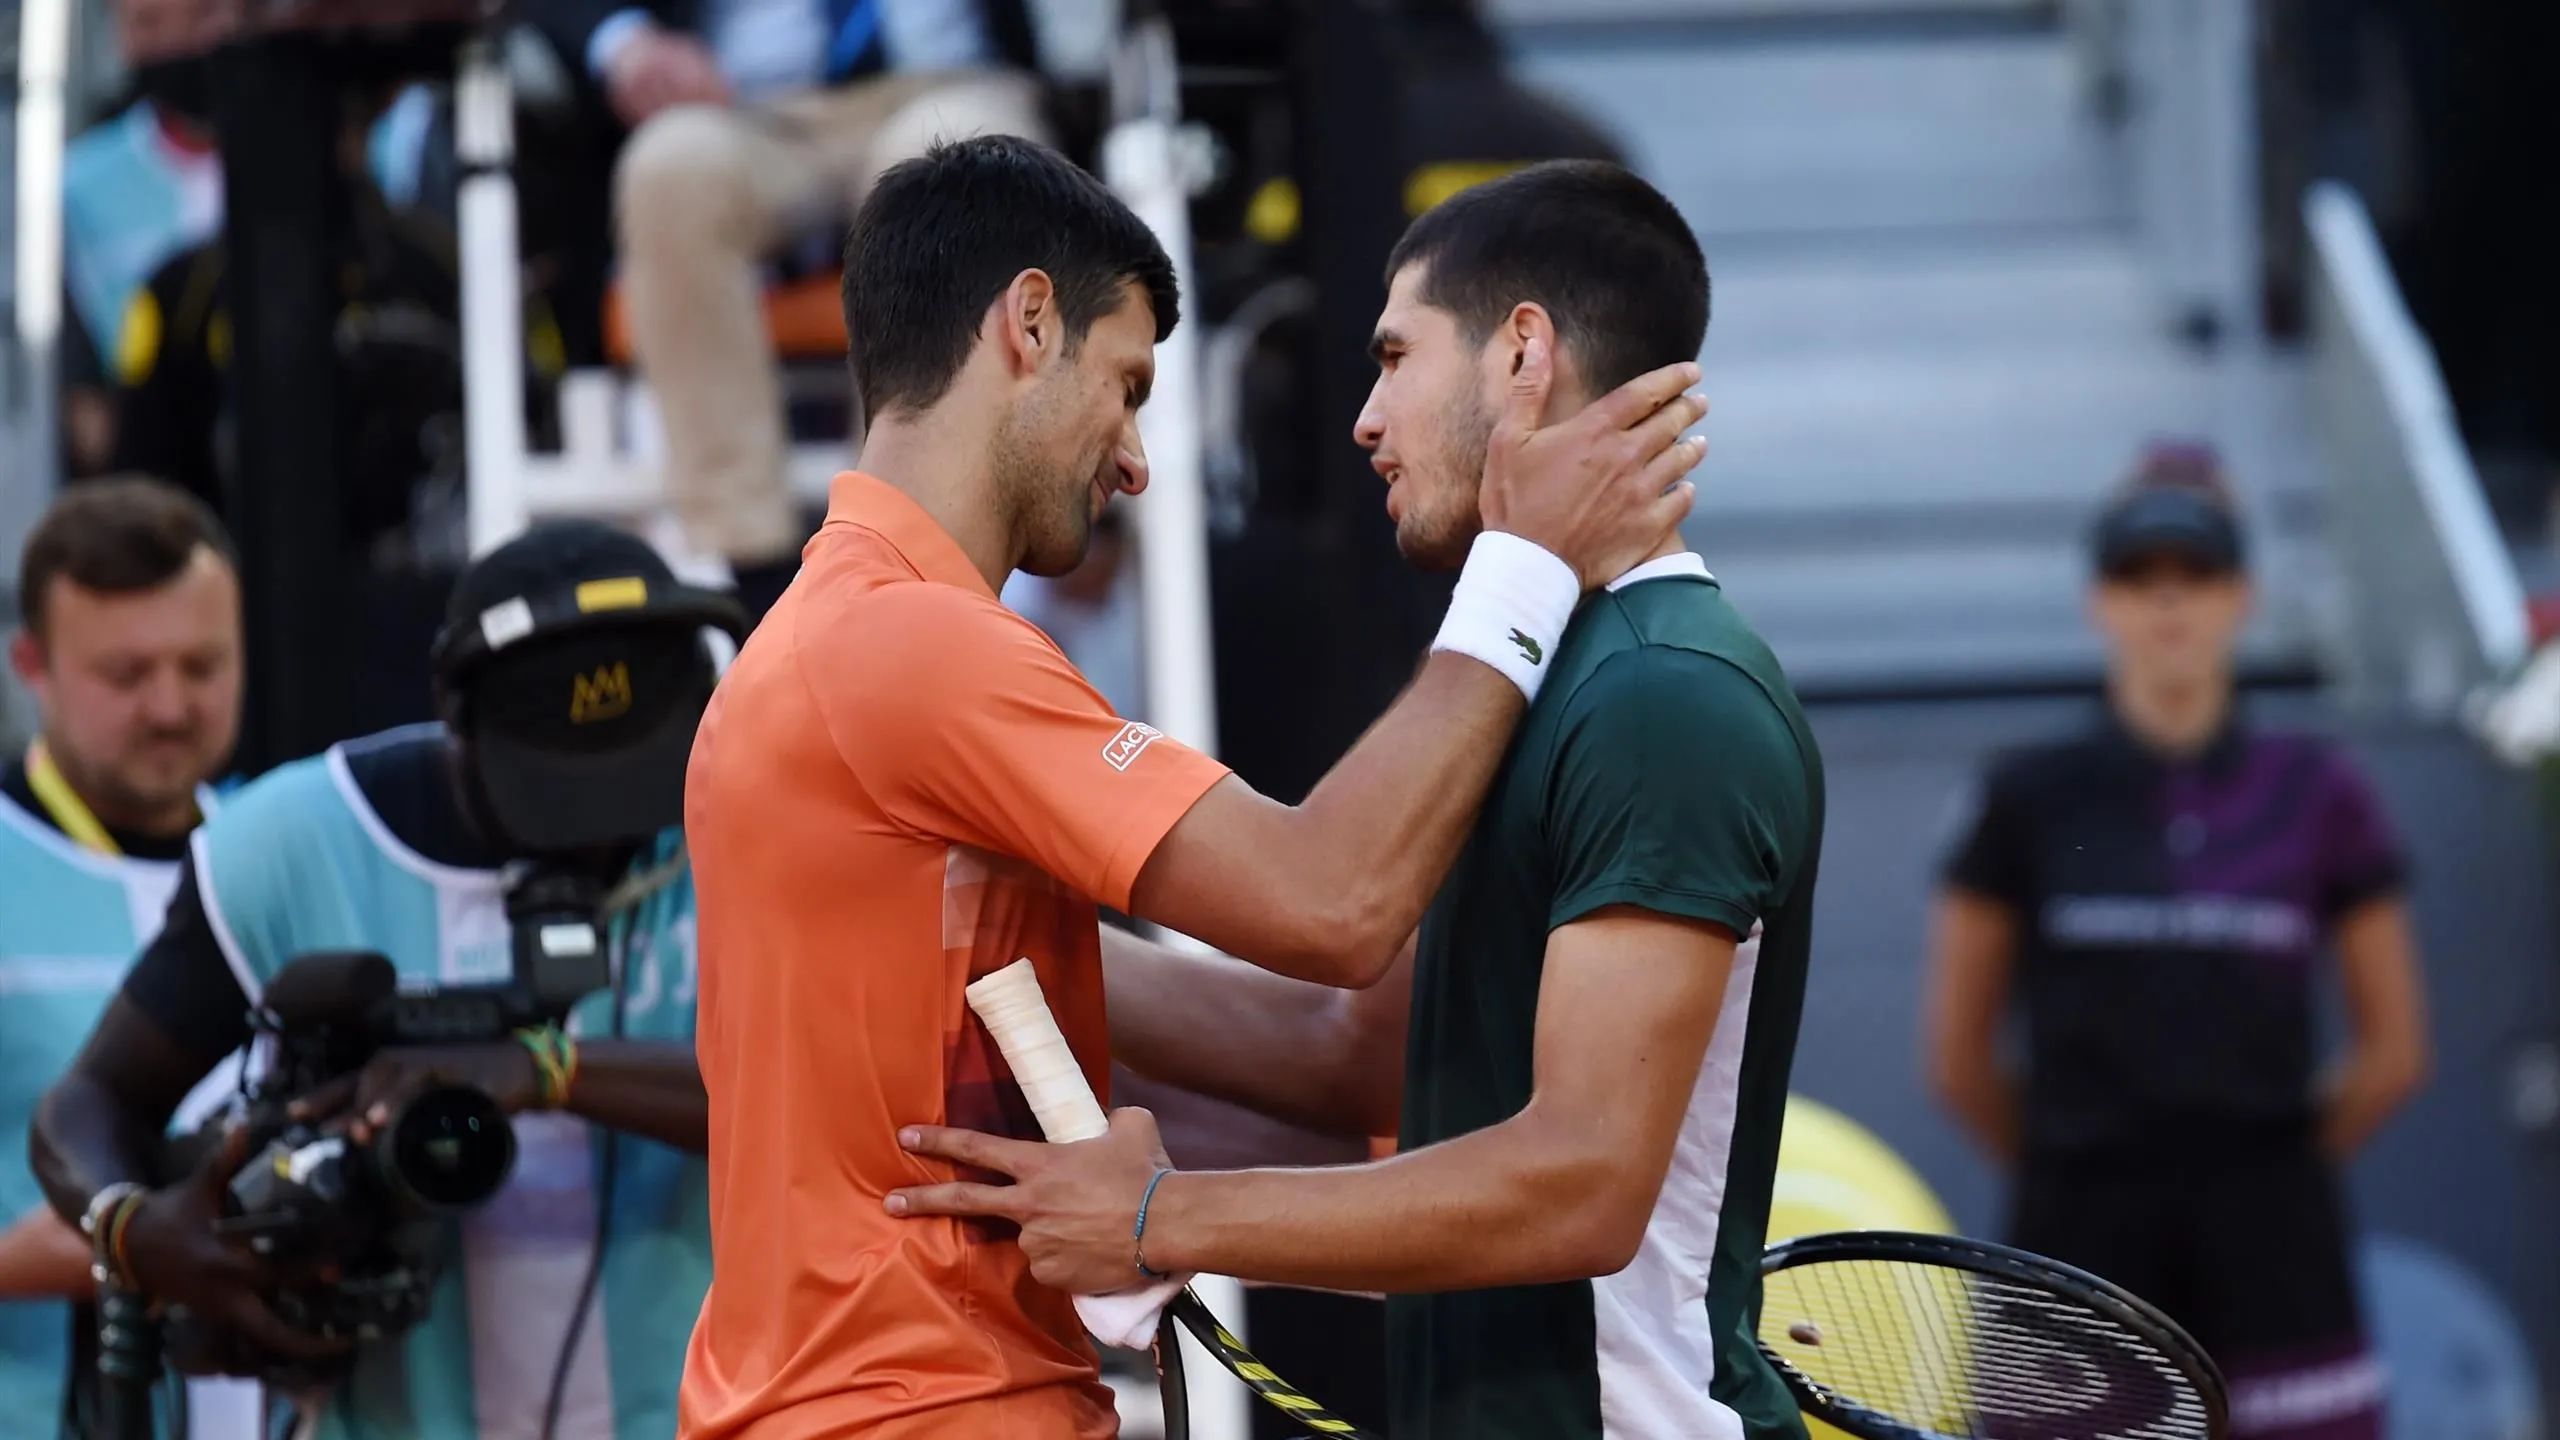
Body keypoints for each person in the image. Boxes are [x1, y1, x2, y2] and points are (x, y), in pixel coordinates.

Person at [677, 136, 1704, 1439]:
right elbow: (1333, 905)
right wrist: (1524, 569)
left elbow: (1331, 1061)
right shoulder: (910, 649)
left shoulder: (819, 656)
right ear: (1028, 324)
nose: (1136, 460)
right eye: (1126, 386)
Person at [889, 160, 1827, 1440]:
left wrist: (1165, 1219)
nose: (1364, 420)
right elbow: (1357, 1055)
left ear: (1523, 358)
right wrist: (988, 944)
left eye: (1396, 358)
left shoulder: (1665, 698)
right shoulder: (1550, 677)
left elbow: (1582, 1185)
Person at [32, 520, 741, 1439]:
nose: (599, 835)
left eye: (636, 786)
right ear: (458, 722)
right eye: (560, 791)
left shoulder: (744, 819)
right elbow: (88, 1101)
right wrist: (136, 1230)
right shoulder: (299, 843)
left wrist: (546, 1069)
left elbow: (823, 1100)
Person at [1922, 445, 2432, 1440]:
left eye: (2194, 578)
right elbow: (1956, 1061)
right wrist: (2092, 1165)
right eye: (2137, 579)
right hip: (2078, 1243)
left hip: (2276, 1245)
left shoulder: (2320, 792)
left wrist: (2256, 1162)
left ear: (2241, 597)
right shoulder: (2027, 795)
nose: (2168, 606)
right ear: (2096, 604)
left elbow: (2394, 1053)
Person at [532, 0, 1051, 618]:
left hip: (951, 84)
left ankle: (908, 574)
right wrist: (627, 42)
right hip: (749, 107)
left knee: (957, 182)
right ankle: (758, 588)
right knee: (671, 168)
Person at [0, 477, 262, 1437]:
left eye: (204, 665)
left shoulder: (289, 855)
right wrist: (102, 1246)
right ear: (33, 665)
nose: (169, 706)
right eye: (125, 674)